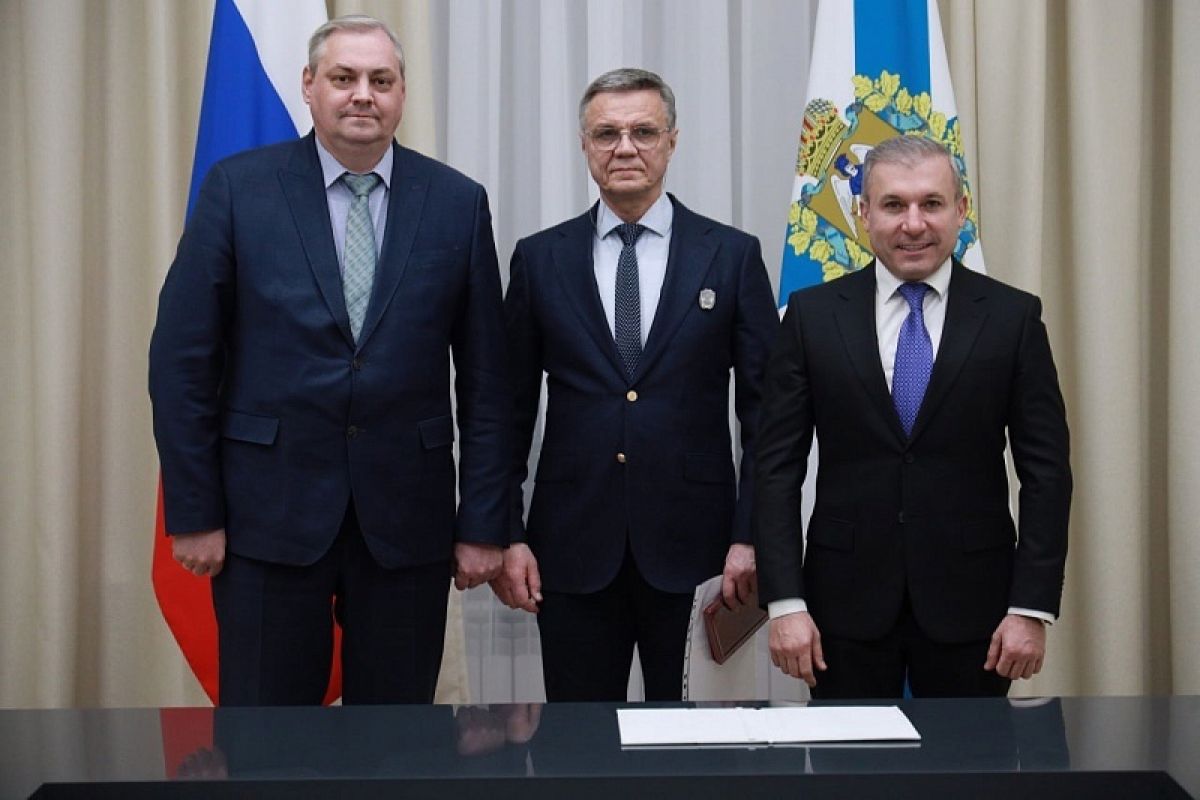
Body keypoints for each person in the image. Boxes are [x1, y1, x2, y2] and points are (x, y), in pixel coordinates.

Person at [148, 15, 510, 705]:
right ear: (309, 86)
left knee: (396, 744)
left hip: (407, 526)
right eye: (344, 78)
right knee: (267, 742)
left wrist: (484, 522)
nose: (362, 95)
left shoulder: (457, 203)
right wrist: (194, 510)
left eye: (381, 80)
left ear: (402, 93)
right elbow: (181, 362)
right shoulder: (238, 190)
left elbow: (488, 383)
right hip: (264, 519)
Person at [493, 68, 779, 701]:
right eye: (607, 134)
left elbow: (766, 417)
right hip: (572, 547)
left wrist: (749, 535)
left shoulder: (731, 256)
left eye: (643, 132)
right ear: (584, 144)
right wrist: (508, 533)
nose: (625, 148)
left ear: (672, 141)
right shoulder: (540, 259)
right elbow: (507, 413)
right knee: (580, 741)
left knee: (698, 741)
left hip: (701, 553)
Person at [753, 134, 1071, 699]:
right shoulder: (811, 317)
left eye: (932, 203)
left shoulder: (1012, 318)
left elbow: (1046, 473)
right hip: (841, 607)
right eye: (894, 205)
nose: (914, 223)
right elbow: (775, 468)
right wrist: (785, 602)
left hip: (976, 605)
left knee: (970, 757)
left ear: (961, 210)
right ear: (864, 213)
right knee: (850, 757)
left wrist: (1031, 607)